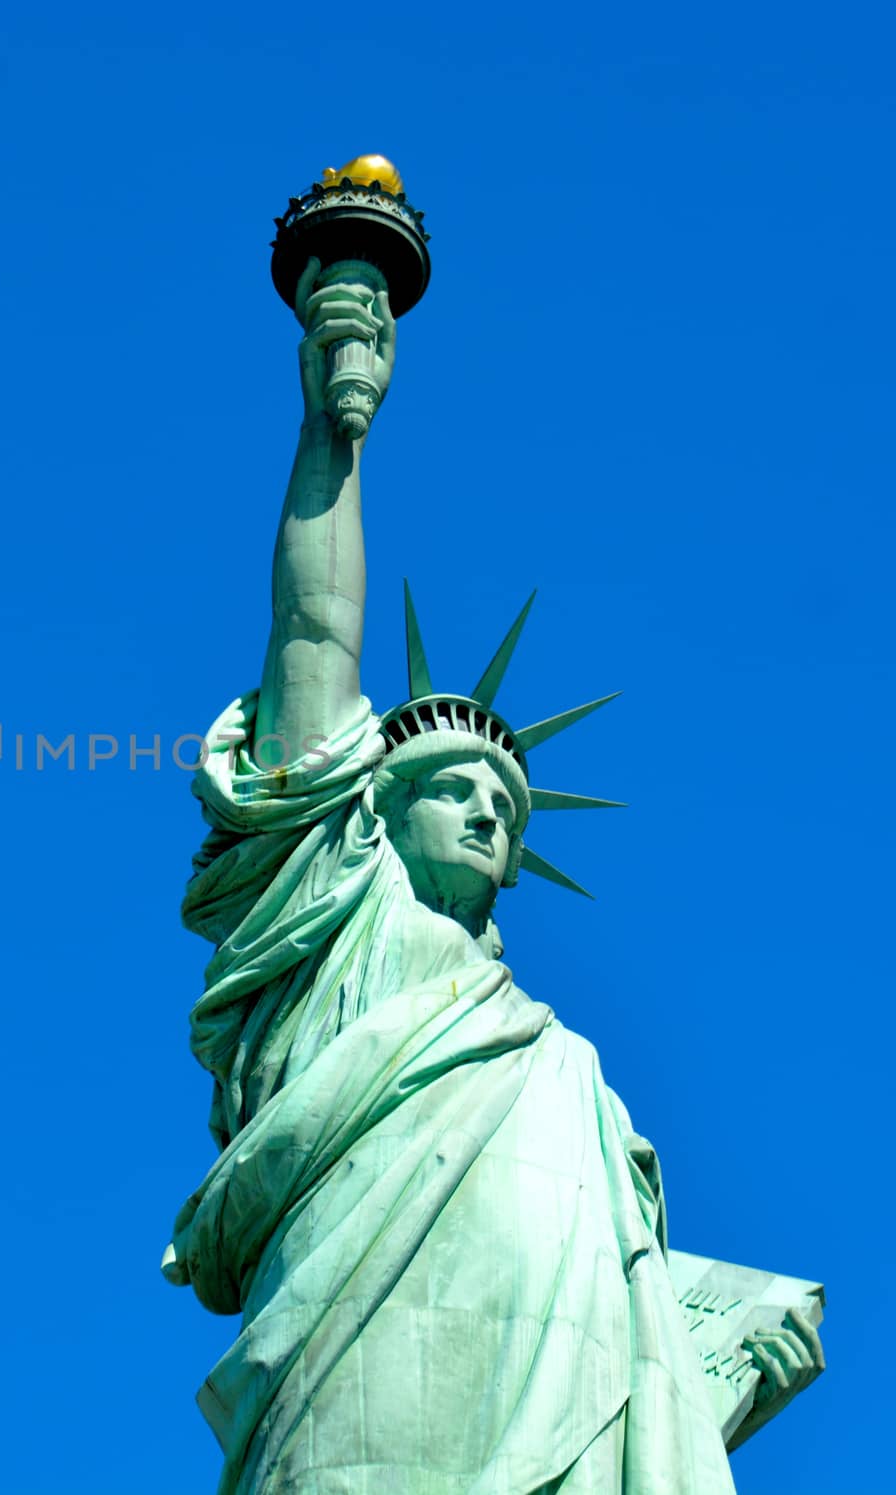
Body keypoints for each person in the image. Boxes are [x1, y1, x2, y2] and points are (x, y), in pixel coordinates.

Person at [163, 258, 822, 1494]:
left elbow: (620, 1282)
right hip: (359, 1372)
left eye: (504, 806)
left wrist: (722, 1334)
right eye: (453, 788)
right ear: (370, 809)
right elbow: (314, 634)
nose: (482, 809)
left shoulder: (555, 1060)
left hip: (573, 1411)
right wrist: (330, 430)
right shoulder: (332, 929)